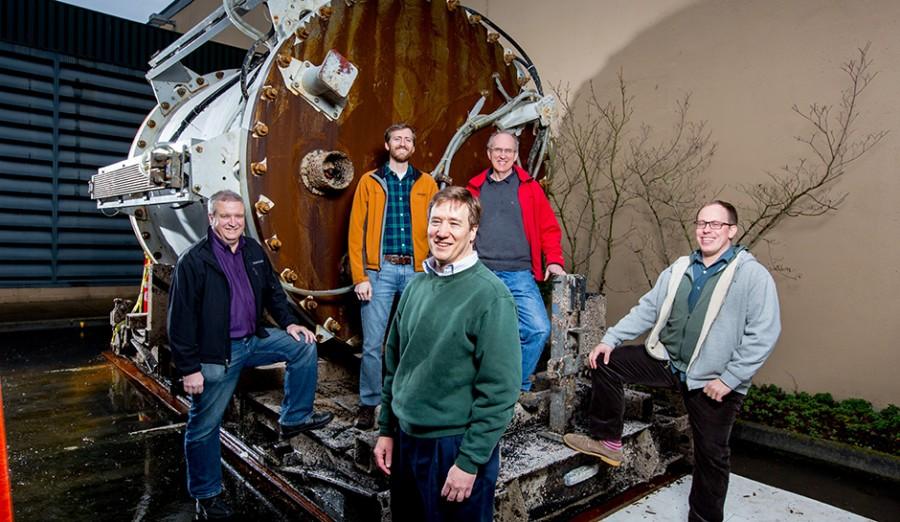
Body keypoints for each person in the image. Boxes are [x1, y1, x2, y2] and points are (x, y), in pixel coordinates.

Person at [563, 200, 781, 522]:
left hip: (714, 379)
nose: (706, 230)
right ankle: (608, 441)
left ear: (732, 231)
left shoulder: (751, 275)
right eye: (701, 223)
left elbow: (764, 333)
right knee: (607, 363)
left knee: (712, 456)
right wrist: (610, 339)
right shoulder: (680, 268)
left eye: (715, 224)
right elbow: (647, 309)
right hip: (669, 361)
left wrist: (729, 379)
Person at [168, 190, 333, 520]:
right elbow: (180, 319)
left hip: (252, 340)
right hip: (217, 353)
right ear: (212, 219)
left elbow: (274, 293)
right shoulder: (195, 260)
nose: (233, 222)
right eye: (225, 216)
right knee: (203, 427)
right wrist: (189, 368)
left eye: (238, 216)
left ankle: (293, 418)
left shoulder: (253, 251)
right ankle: (207, 496)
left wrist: (289, 324)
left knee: (304, 346)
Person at [373, 187, 521, 521]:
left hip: (453, 447)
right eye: (436, 221)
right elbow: (395, 364)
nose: (442, 232)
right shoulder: (416, 286)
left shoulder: (490, 296)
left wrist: (469, 462)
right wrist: (387, 430)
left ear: (473, 233)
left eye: (454, 223)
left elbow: (500, 392)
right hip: (407, 441)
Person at [348, 123, 438, 430]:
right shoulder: (370, 181)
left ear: (413, 147)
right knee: (374, 343)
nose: (402, 143)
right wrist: (360, 276)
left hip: (416, 272)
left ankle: (411, 399)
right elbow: (355, 230)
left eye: (408, 139)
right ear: (388, 145)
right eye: (397, 139)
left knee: (415, 340)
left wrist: (433, 269)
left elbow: (436, 227)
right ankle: (369, 402)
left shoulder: (427, 183)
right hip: (379, 271)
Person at [466, 130, 566, 391]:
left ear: (515, 155)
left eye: (508, 151)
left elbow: (548, 228)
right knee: (472, 333)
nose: (502, 155)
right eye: (497, 150)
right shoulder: (474, 188)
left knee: (537, 329)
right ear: (489, 154)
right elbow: (462, 229)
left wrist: (554, 260)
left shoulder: (529, 188)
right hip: (481, 272)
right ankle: (473, 387)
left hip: (519, 273)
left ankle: (512, 386)